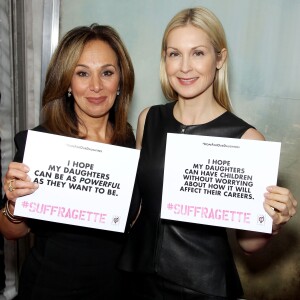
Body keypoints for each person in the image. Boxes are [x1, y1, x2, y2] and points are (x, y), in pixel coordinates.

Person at [118, 7, 298, 300]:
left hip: (203, 286)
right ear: (165, 59)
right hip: (137, 279)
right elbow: (137, 207)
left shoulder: (248, 140)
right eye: (175, 54)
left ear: (220, 58)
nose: (185, 67)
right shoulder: (148, 119)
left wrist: (272, 222)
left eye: (198, 53)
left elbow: (248, 244)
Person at [0, 23, 135, 300]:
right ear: (67, 83)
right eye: (82, 73)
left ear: (120, 80)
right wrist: (13, 203)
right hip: (49, 288)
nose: (96, 86)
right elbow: (12, 232)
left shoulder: (130, 141)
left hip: (115, 288)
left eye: (106, 73)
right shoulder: (41, 144)